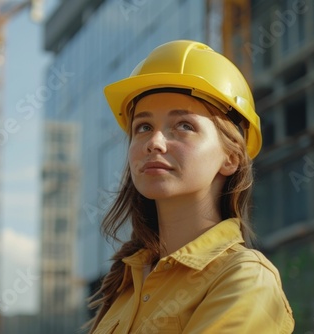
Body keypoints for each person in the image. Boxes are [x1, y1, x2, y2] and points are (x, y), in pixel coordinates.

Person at [86, 40, 295, 333]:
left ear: (231, 158)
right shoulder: (125, 285)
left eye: (184, 125)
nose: (154, 143)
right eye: (143, 127)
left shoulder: (244, 279)